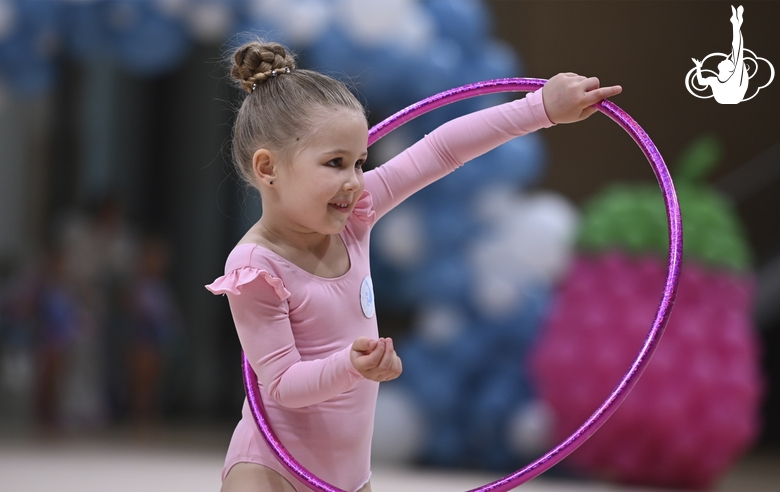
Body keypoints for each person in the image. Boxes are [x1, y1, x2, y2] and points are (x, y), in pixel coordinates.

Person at [206, 40, 621, 492]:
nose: (353, 181)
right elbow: (282, 384)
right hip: (272, 472)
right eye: (336, 163)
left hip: (347, 477)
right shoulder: (255, 266)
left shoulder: (354, 218)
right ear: (268, 168)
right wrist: (351, 365)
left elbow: (442, 150)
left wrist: (540, 109)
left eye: (360, 162)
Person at [692, 5, 748, 104]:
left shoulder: (721, 79)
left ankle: (736, 24)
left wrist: (698, 67)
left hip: (732, 96)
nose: (724, 59)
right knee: (737, 52)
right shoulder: (717, 79)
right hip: (731, 97)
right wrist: (698, 67)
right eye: (728, 61)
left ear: (729, 69)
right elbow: (700, 82)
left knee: (737, 51)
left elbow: (701, 81)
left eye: (726, 61)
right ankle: (736, 24)